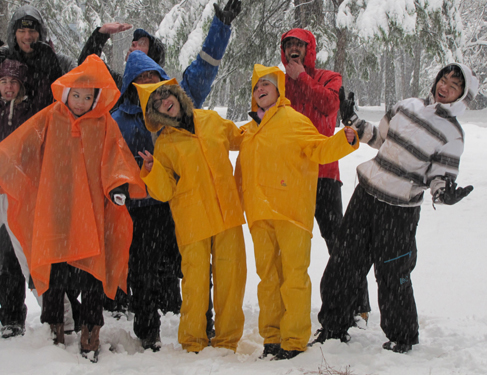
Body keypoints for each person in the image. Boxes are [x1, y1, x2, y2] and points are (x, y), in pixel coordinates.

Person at [314, 63, 478, 353]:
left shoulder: (453, 134)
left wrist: (446, 194)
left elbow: (440, 178)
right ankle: (332, 326)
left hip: (400, 210)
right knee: (344, 261)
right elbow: (379, 138)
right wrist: (352, 119)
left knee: (393, 274)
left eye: (454, 86)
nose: (445, 86)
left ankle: (402, 337)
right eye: (444, 79)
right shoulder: (407, 106)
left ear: (461, 96)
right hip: (366, 195)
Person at [108, 0, 241, 351]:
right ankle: (148, 329)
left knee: (188, 269)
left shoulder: (178, 99)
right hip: (142, 206)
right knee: (144, 270)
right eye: (140, 79)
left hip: (181, 205)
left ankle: (202, 323)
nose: (148, 83)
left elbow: (206, 66)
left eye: (152, 75)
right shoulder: (120, 118)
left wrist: (221, 26)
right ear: (131, 84)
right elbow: (109, 160)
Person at [0, 54, 147, 362]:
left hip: (90, 214)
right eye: (76, 95)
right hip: (56, 211)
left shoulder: (104, 123)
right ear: (66, 93)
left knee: (93, 273)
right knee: (56, 272)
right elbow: (21, 146)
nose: (80, 101)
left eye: (87, 96)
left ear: (97, 97)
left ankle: (90, 328)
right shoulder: (50, 117)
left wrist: (119, 186)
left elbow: (116, 160)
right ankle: (53, 325)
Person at [235, 64, 358, 360]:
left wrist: (347, 138)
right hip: (260, 214)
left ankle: (293, 340)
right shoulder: (249, 129)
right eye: (256, 86)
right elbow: (239, 169)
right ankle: (272, 337)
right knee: (267, 280)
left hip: (292, 213)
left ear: (279, 90)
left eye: (266, 84)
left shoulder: (295, 120)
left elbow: (321, 149)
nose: (260, 89)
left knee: (293, 278)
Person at [136, 78, 247, 353]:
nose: (164, 102)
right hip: (192, 218)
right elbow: (164, 192)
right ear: (155, 114)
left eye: (165, 95)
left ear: (176, 95)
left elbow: (241, 140)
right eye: (157, 103)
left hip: (227, 212)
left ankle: (227, 340)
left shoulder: (211, 119)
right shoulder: (164, 144)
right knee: (195, 283)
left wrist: (263, 129)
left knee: (231, 278)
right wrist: (152, 170)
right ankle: (193, 340)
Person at [280, 29, 371, 324]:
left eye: (299, 45)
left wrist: (301, 79)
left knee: (339, 241)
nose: (294, 49)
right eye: (289, 45)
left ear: (310, 49)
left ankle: (357, 302)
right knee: (290, 244)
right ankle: (287, 303)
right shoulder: (277, 81)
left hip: (324, 173)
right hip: (291, 176)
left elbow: (330, 106)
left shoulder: (329, 77)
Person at [0, 59, 32, 339]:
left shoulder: (27, 111)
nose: (8, 87)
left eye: (13, 82)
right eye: (4, 82)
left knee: (16, 254)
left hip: (17, 192)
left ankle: (13, 315)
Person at [1, 5, 76, 113]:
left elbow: (82, 94)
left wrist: (55, 73)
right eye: (22, 31)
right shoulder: (4, 58)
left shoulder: (61, 62)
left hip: (49, 126)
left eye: (32, 30)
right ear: (14, 34)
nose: (27, 36)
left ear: (40, 33)